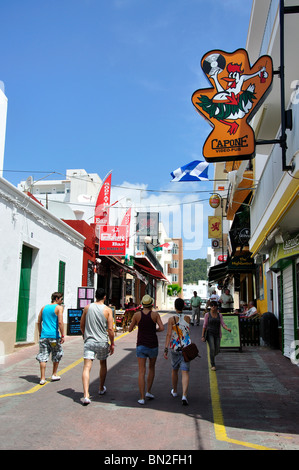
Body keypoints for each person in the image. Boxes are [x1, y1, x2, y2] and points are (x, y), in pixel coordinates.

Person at [80, 288, 115, 405]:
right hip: (102, 342)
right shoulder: (108, 310)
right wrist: (112, 343)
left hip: (89, 341)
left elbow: (82, 324)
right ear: (104, 297)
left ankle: (86, 395)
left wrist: (84, 336)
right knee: (103, 363)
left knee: (86, 367)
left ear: (95, 296)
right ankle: (100, 388)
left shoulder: (87, 308)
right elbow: (110, 329)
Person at [128, 294, 164, 405]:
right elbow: (162, 328)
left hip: (141, 345)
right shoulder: (155, 315)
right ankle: (148, 391)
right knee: (151, 368)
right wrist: (154, 331)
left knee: (141, 371)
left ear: (142, 304)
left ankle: (142, 397)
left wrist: (138, 326)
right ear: (151, 304)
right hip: (153, 344)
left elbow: (130, 329)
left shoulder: (137, 315)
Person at [164, 298, 191, 406]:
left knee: (174, 370)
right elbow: (188, 332)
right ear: (183, 307)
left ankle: (175, 391)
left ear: (175, 307)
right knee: (185, 372)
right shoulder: (188, 318)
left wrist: (166, 348)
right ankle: (184, 395)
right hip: (186, 348)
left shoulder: (171, 319)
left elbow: (169, 334)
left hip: (175, 348)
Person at [36, 292, 65, 385]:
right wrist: (63, 335)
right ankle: (54, 374)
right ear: (56, 299)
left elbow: (39, 321)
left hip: (44, 336)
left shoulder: (43, 308)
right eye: (61, 299)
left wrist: (40, 332)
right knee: (56, 353)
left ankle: (42, 378)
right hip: (54, 336)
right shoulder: (59, 308)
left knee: (43, 356)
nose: (62, 301)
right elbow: (60, 322)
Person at [202, 301, 231, 371]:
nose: (213, 307)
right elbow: (204, 325)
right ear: (210, 307)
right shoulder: (207, 315)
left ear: (217, 307)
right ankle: (213, 364)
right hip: (209, 333)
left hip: (217, 333)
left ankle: (212, 356)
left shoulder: (220, 315)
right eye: (211, 306)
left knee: (217, 350)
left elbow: (223, 324)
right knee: (212, 348)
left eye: (214, 305)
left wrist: (227, 328)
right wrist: (202, 335)